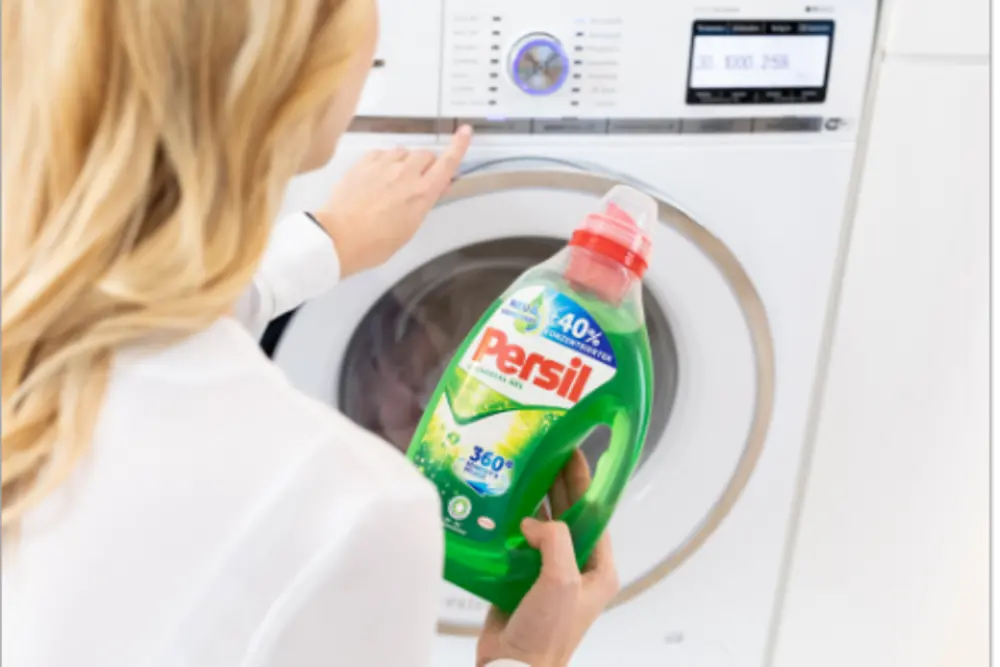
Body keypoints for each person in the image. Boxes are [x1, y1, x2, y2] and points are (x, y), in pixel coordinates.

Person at [0, 2, 619, 666]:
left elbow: (143, 346)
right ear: (294, 69)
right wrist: (527, 658)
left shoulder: (34, 340)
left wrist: (324, 245)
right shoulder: (355, 510)